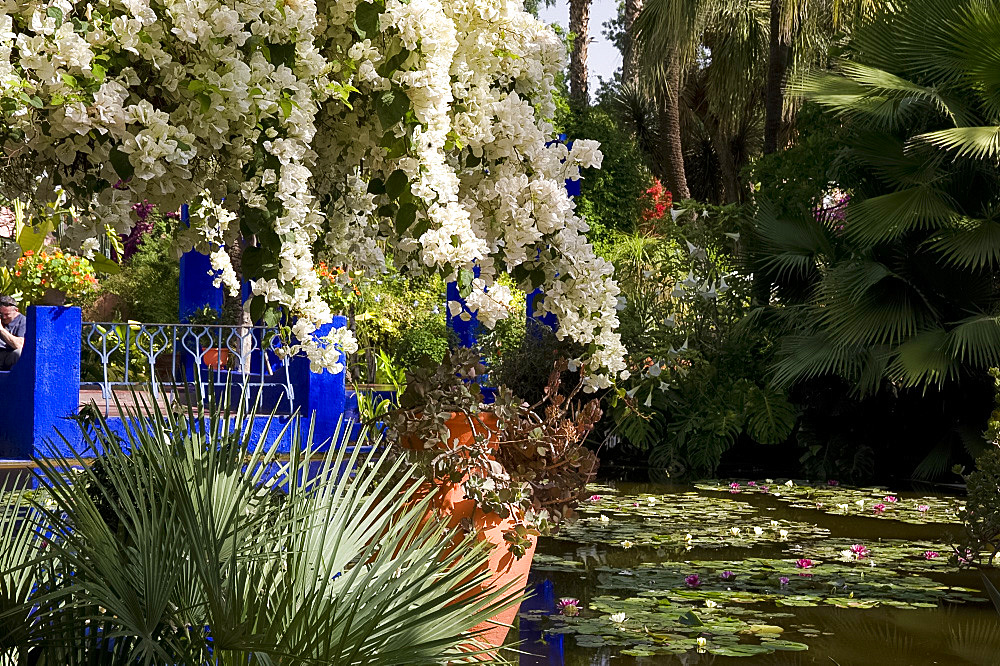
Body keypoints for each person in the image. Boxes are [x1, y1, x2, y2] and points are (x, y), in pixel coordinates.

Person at [0, 296, 25, 370]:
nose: (4, 317)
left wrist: (1, 329)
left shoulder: (23, 322)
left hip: (9, 355)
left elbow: (19, 345)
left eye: (7, 314)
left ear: (16, 310)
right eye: (1, 314)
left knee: (19, 353)